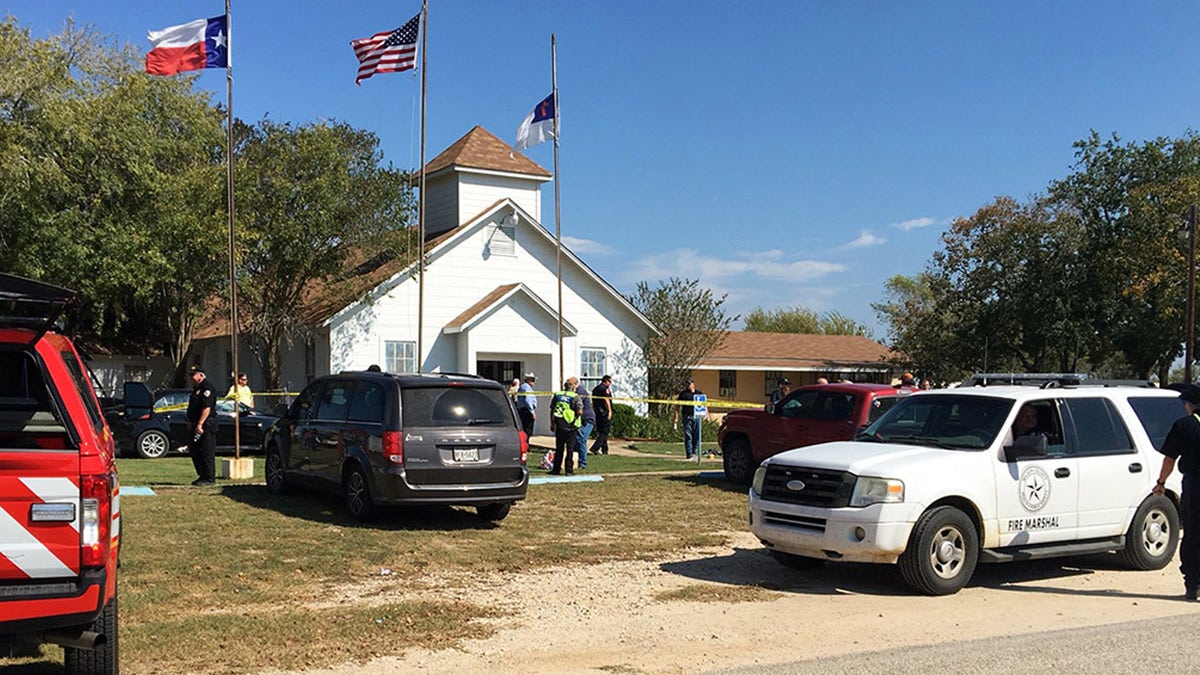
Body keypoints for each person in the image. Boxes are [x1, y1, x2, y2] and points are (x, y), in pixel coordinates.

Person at [1153, 384, 1200, 600]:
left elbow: (1169, 459)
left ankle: (1192, 585)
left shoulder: (1184, 425)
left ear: (1190, 404)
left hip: (1195, 484)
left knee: (1192, 533)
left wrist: (1161, 482)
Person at [186, 364, 218, 487]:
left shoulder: (207, 388)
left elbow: (206, 408)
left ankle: (209, 478)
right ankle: (202, 475)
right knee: (195, 450)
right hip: (196, 423)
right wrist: (191, 422)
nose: (191, 377)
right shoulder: (196, 388)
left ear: (201, 375)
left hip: (206, 424)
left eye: (193, 375)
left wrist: (200, 424)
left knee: (206, 451)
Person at [549, 377, 583, 475]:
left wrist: (551, 423)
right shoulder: (575, 396)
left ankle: (556, 469)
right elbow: (579, 411)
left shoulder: (557, 395)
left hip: (559, 424)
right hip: (572, 425)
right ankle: (569, 470)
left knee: (559, 448)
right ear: (574, 386)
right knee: (570, 448)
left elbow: (552, 409)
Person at [673, 378, 705, 459]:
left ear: (693, 384)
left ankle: (694, 451)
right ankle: (689, 453)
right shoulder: (683, 394)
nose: (688, 385)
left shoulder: (699, 393)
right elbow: (677, 406)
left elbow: (704, 405)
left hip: (697, 417)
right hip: (687, 417)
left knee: (697, 436)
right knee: (688, 436)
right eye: (687, 384)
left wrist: (706, 415)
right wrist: (676, 417)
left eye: (689, 383)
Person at [575, 377, 596, 470]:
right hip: (581, 419)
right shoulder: (576, 392)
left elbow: (578, 407)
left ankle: (582, 463)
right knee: (576, 439)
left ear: (575, 384)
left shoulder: (580, 392)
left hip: (588, 419)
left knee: (581, 439)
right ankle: (575, 460)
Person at [590, 375, 614, 455]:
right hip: (604, 413)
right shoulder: (605, 389)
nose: (610, 383)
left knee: (601, 432)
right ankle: (595, 447)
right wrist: (609, 411)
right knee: (605, 431)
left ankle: (605, 449)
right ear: (606, 381)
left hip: (598, 412)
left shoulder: (596, 389)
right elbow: (606, 400)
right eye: (610, 381)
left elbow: (593, 401)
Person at [516, 373, 537, 437]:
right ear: (528, 380)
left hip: (522, 410)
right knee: (528, 430)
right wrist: (532, 411)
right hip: (526, 411)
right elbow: (528, 400)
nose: (533, 382)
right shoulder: (527, 387)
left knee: (524, 429)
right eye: (532, 380)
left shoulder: (522, 387)